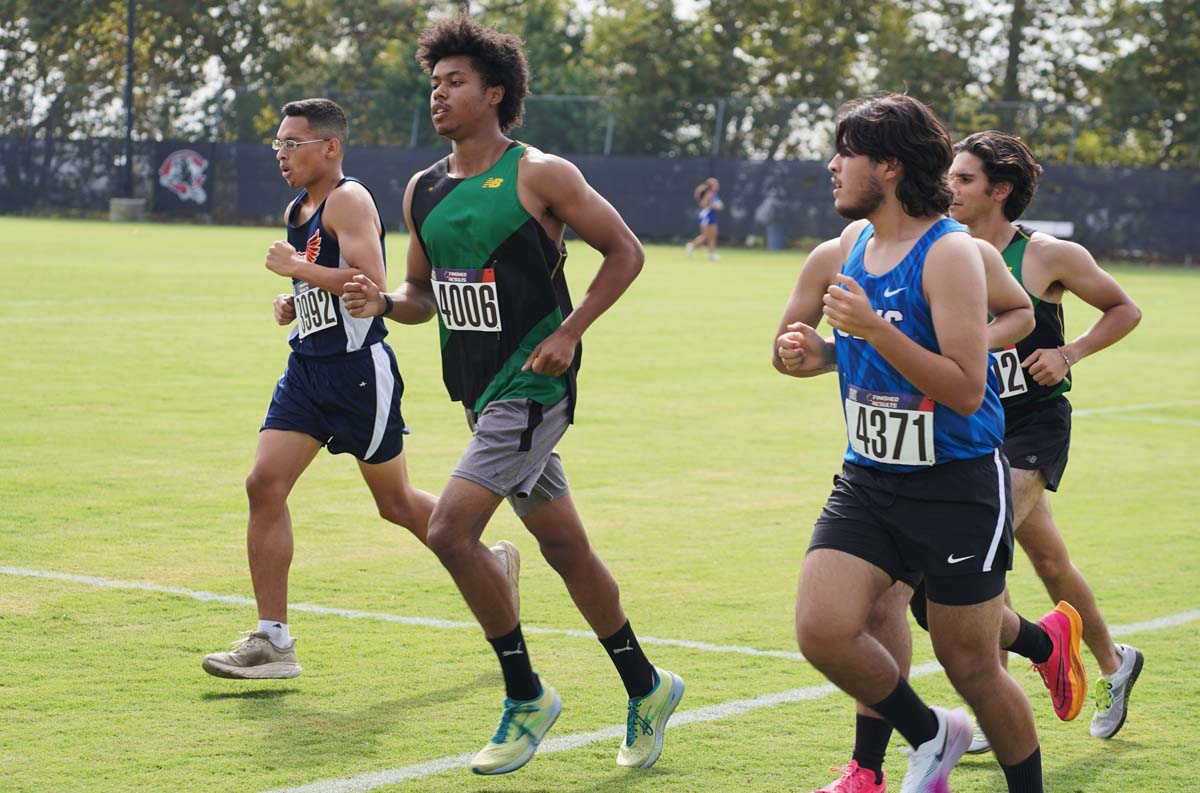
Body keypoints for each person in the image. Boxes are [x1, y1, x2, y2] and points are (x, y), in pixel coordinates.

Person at [341, 16, 683, 777]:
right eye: (433, 83)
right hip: (480, 394)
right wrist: (384, 303)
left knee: (449, 530)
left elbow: (626, 252)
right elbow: (424, 293)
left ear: (495, 93)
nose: (439, 94)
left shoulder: (540, 175)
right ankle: (648, 684)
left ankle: (524, 691)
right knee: (564, 547)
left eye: (455, 81)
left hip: (533, 389)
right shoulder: (422, 190)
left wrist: (572, 331)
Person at [774, 94, 1045, 793]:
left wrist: (869, 331)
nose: (832, 166)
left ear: (889, 166)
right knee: (821, 627)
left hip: (954, 485)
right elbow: (862, 344)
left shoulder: (951, 252)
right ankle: (930, 732)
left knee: (973, 666)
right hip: (868, 477)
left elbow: (961, 387)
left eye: (846, 154)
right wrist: (823, 354)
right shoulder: (852, 245)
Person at [201, 98, 519, 681]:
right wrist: (296, 300)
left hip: (357, 374)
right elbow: (329, 279)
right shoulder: (301, 205)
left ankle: (489, 563)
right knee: (263, 483)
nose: (281, 154)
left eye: (293, 143)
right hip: (307, 369)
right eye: (278, 144)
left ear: (331, 147)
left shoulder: (350, 198)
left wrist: (298, 271)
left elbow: (370, 283)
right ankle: (273, 642)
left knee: (394, 503)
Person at [946, 131, 1143, 744]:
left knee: (984, 547)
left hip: (1034, 425)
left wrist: (1070, 352)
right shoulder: (944, 251)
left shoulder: (1048, 255)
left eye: (963, 179)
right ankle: (1116, 663)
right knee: (1048, 558)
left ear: (1000, 190)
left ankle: (993, 703)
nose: (948, 187)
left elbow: (1123, 308)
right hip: (974, 426)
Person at [685, 177, 723, 260]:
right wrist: (715, 206)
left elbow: (719, 205)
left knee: (711, 236)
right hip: (707, 216)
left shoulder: (714, 194)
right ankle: (691, 246)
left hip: (712, 216)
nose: (717, 185)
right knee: (706, 236)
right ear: (711, 186)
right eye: (715, 184)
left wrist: (718, 206)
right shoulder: (709, 194)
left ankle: (710, 254)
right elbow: (703, 204)